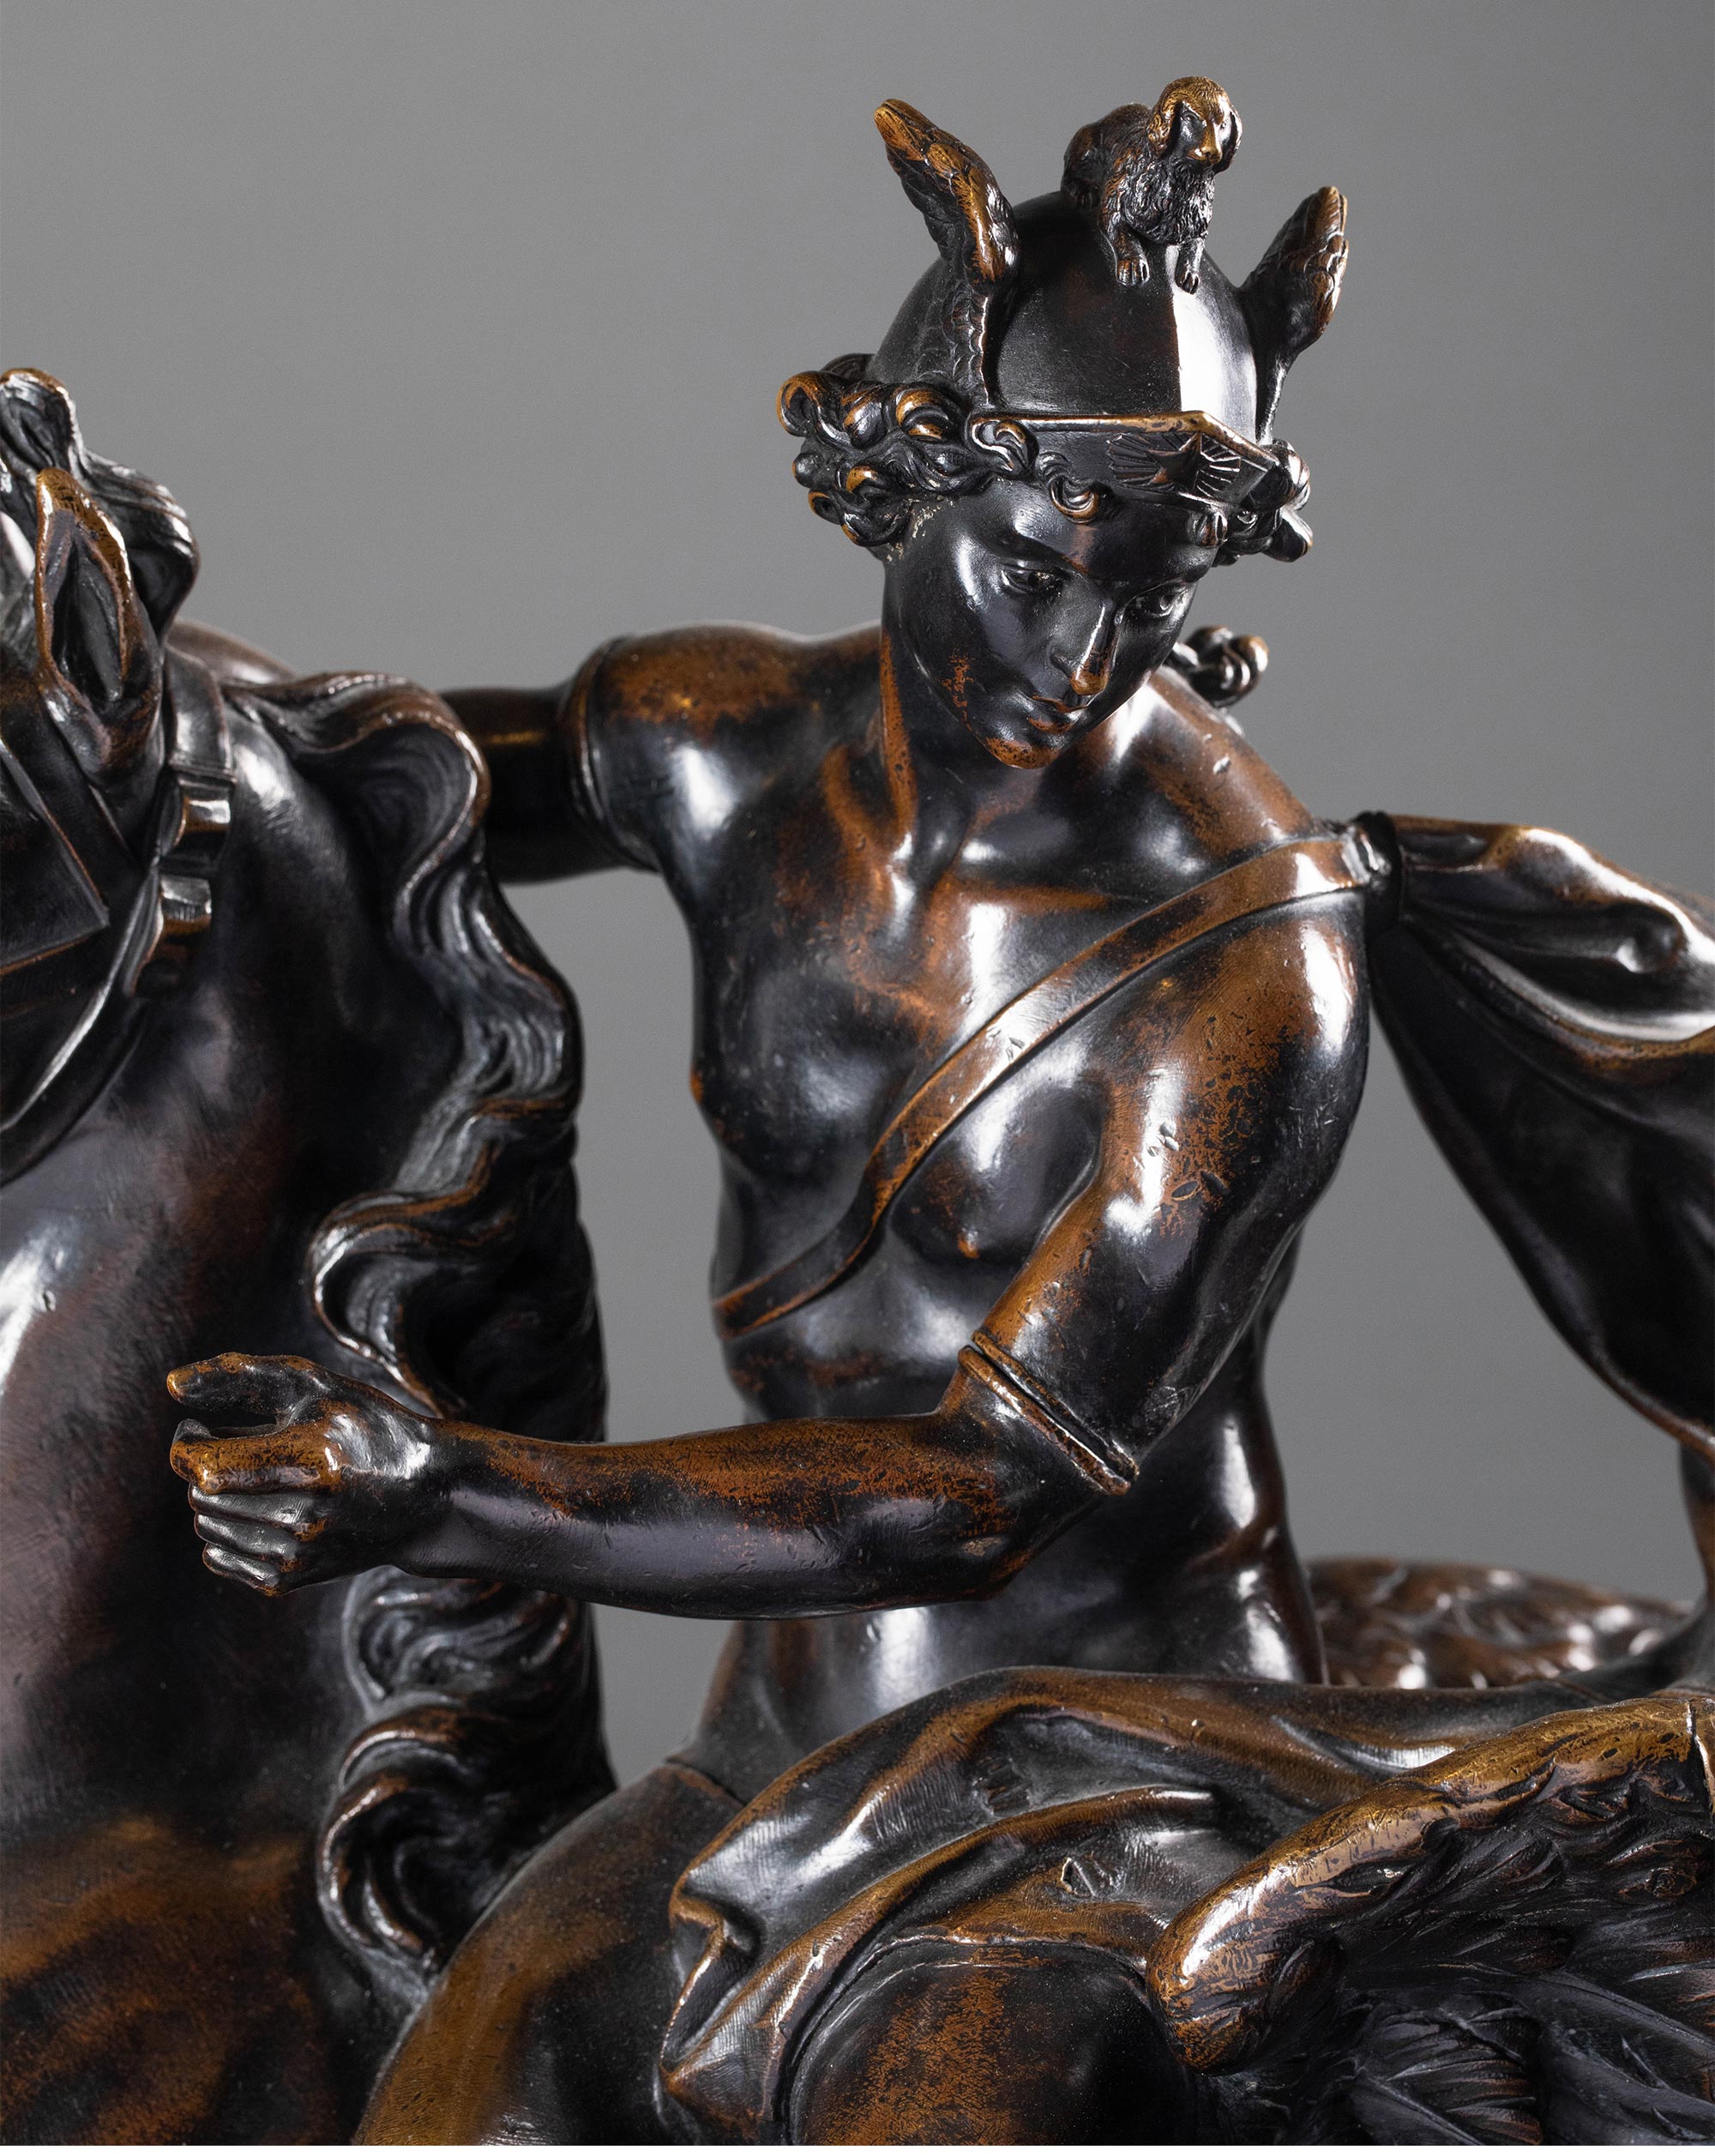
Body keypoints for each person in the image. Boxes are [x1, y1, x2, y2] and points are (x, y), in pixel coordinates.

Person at [169, 83, 1711, 2139]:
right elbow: (335, 798)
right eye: (1032, 570)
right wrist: (86, 665)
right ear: (900, 485)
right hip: (766, 1756)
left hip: (1103, 1782)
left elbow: (983, 1487)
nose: (1084, 656)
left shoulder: (1247, 961)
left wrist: (450, 1492)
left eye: (1151, 593)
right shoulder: (713, 745)